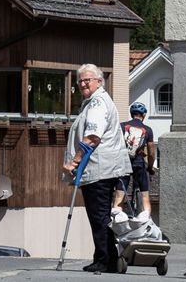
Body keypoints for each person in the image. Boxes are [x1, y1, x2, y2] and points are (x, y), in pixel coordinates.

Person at [62, 63, 132, 274]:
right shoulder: (94, 102)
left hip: (98, 169)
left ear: (99, 82)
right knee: (101, 215)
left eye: (87, 80)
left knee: (99, 215)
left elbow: (92, 137)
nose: (83, 83)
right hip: (103, 168)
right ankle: (105, 256)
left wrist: (74, 162)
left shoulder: (97, 104)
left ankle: (105, 259)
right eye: (80, 81)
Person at [113, 102, 157, 219]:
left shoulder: (122, 126)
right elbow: (152, 152)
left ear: (131, 114)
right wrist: (150, 167)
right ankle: (145, 218)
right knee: (144, 195)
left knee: (119, 195)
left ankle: (118, 218)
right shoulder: (147, 130)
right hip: (139, 164)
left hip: (123, 163)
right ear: (143, 115)